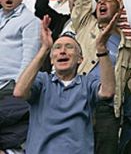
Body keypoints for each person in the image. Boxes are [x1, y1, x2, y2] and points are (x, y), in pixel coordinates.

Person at [70, 0, 131, 154]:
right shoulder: (85, 24)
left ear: (118, 11)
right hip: (77, 102)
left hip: (108, 109)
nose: (101, 2)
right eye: (99, 1)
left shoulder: (128, 47)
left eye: (107, 0)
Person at [13, 15, 116, 154]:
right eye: (57, 48)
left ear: (80, 59)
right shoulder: (43, 81)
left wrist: (101, 48)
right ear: (51, 60)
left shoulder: (87, 82)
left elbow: (108, 91)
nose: (62, 51)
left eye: (69, 47)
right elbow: (19, 92)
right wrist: (44, 48)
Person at [0, 0, 41, 153]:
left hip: (12, 86)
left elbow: (30, 57)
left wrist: (20, 85)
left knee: (10, 135)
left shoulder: (30, 21)